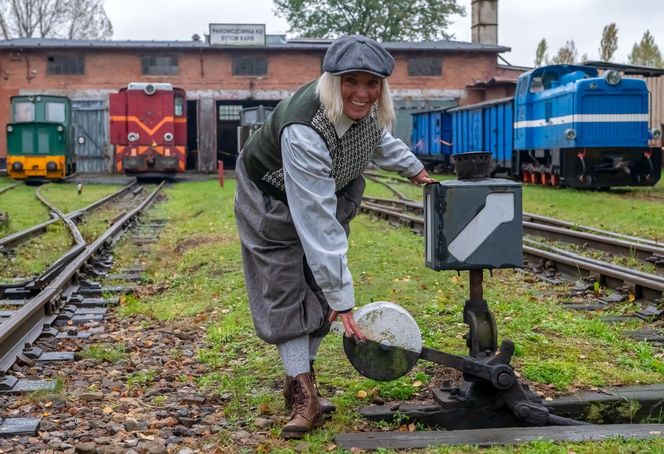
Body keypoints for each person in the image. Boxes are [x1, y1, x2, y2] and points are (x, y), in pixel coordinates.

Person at [234, 34, 435, 438]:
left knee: (320, 288)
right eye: (351, 81)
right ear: (332, 80)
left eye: (372, 83)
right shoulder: (304, 130)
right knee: (285, 286)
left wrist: (414, 168)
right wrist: (345, 300)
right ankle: (302, 396)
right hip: (269, 198)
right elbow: (317, 224)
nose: (362, 93)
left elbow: (378, 141)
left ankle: (304, 382)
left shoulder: (367, 114)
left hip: (326, 193)